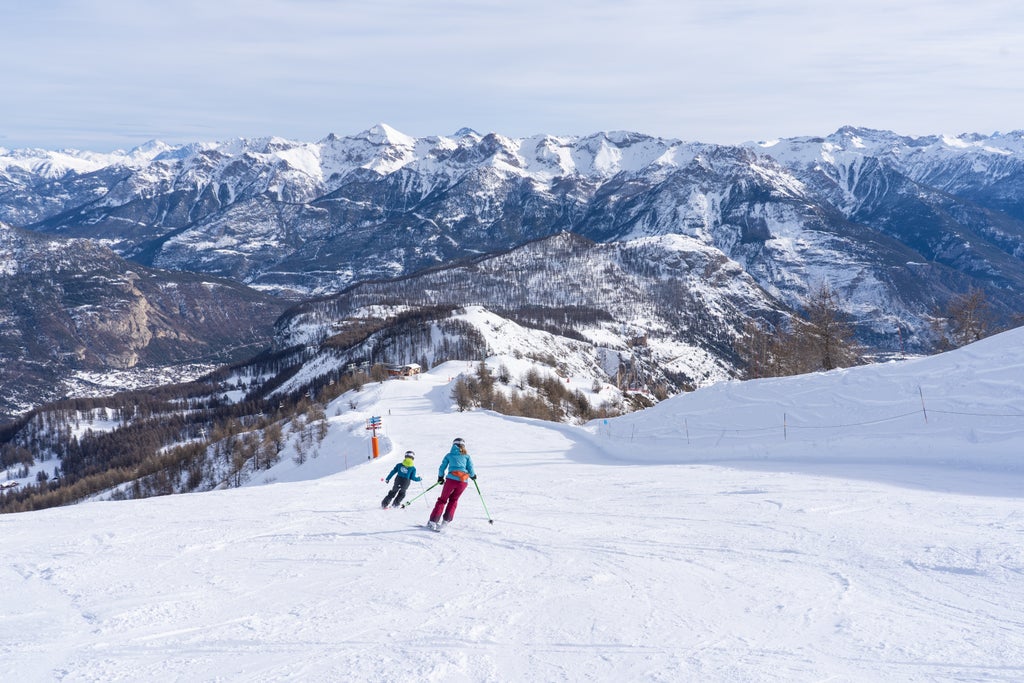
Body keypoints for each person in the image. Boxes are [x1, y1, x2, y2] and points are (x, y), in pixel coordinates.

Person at [427, 437, 476, 530]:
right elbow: (471, 469)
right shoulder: (467, 456)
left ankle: (433, 521)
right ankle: (446, 521)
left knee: (442, 500)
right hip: (463, 482)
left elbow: (442, 468)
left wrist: (440, 477)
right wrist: (473, 476)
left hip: (451, 480)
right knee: (454, 500)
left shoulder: (449, 455)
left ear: (453, 445)